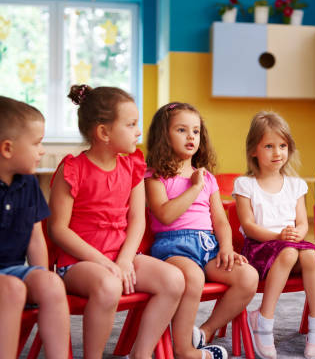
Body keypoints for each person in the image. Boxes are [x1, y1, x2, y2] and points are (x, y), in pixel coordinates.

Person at [48, 85, 184, 359]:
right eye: (131, 124)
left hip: (121, 257)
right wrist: (105, 263)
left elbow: (136, 222)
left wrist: (123, 260)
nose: (138, 131)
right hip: (79, 263)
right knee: (109, 284)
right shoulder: (72, 168)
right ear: (104, 133)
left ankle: (141, 353)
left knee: (173, 280)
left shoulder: (132, 165)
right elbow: (58, 229)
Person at [145, 102, 258, 359]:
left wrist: (227, 248)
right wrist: (193, 189)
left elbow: (220, 220)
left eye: (195, 131)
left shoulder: (206, 177)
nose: (191, 137)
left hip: (209, 247)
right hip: (172, 247)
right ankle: (184, 349)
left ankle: (204, 332)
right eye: (182, 130)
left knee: (248, 277)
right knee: (193, 277)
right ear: (164, 135)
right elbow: (164, 213)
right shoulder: (153, 176)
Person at [233, 111, 315, 359]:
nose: (278, 153)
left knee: (310, 256)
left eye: (283, 146)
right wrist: (278, 236)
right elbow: (249, 225)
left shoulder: (296, 185)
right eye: (269, 146)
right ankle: (264, 319)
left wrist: (297, 233)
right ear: (254, 150)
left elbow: (302, 222)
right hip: (260, 249)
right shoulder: (245, 184)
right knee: (287, 252)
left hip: (290, 247)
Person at [0, 96, 70, 358]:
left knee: (51, 283)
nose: (42, 150)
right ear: (7, 148)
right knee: (12, 289)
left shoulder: (28, 182)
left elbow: (35, 237)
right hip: (6, 282)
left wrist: (40, 274)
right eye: (37, 143)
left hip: (13, 269)